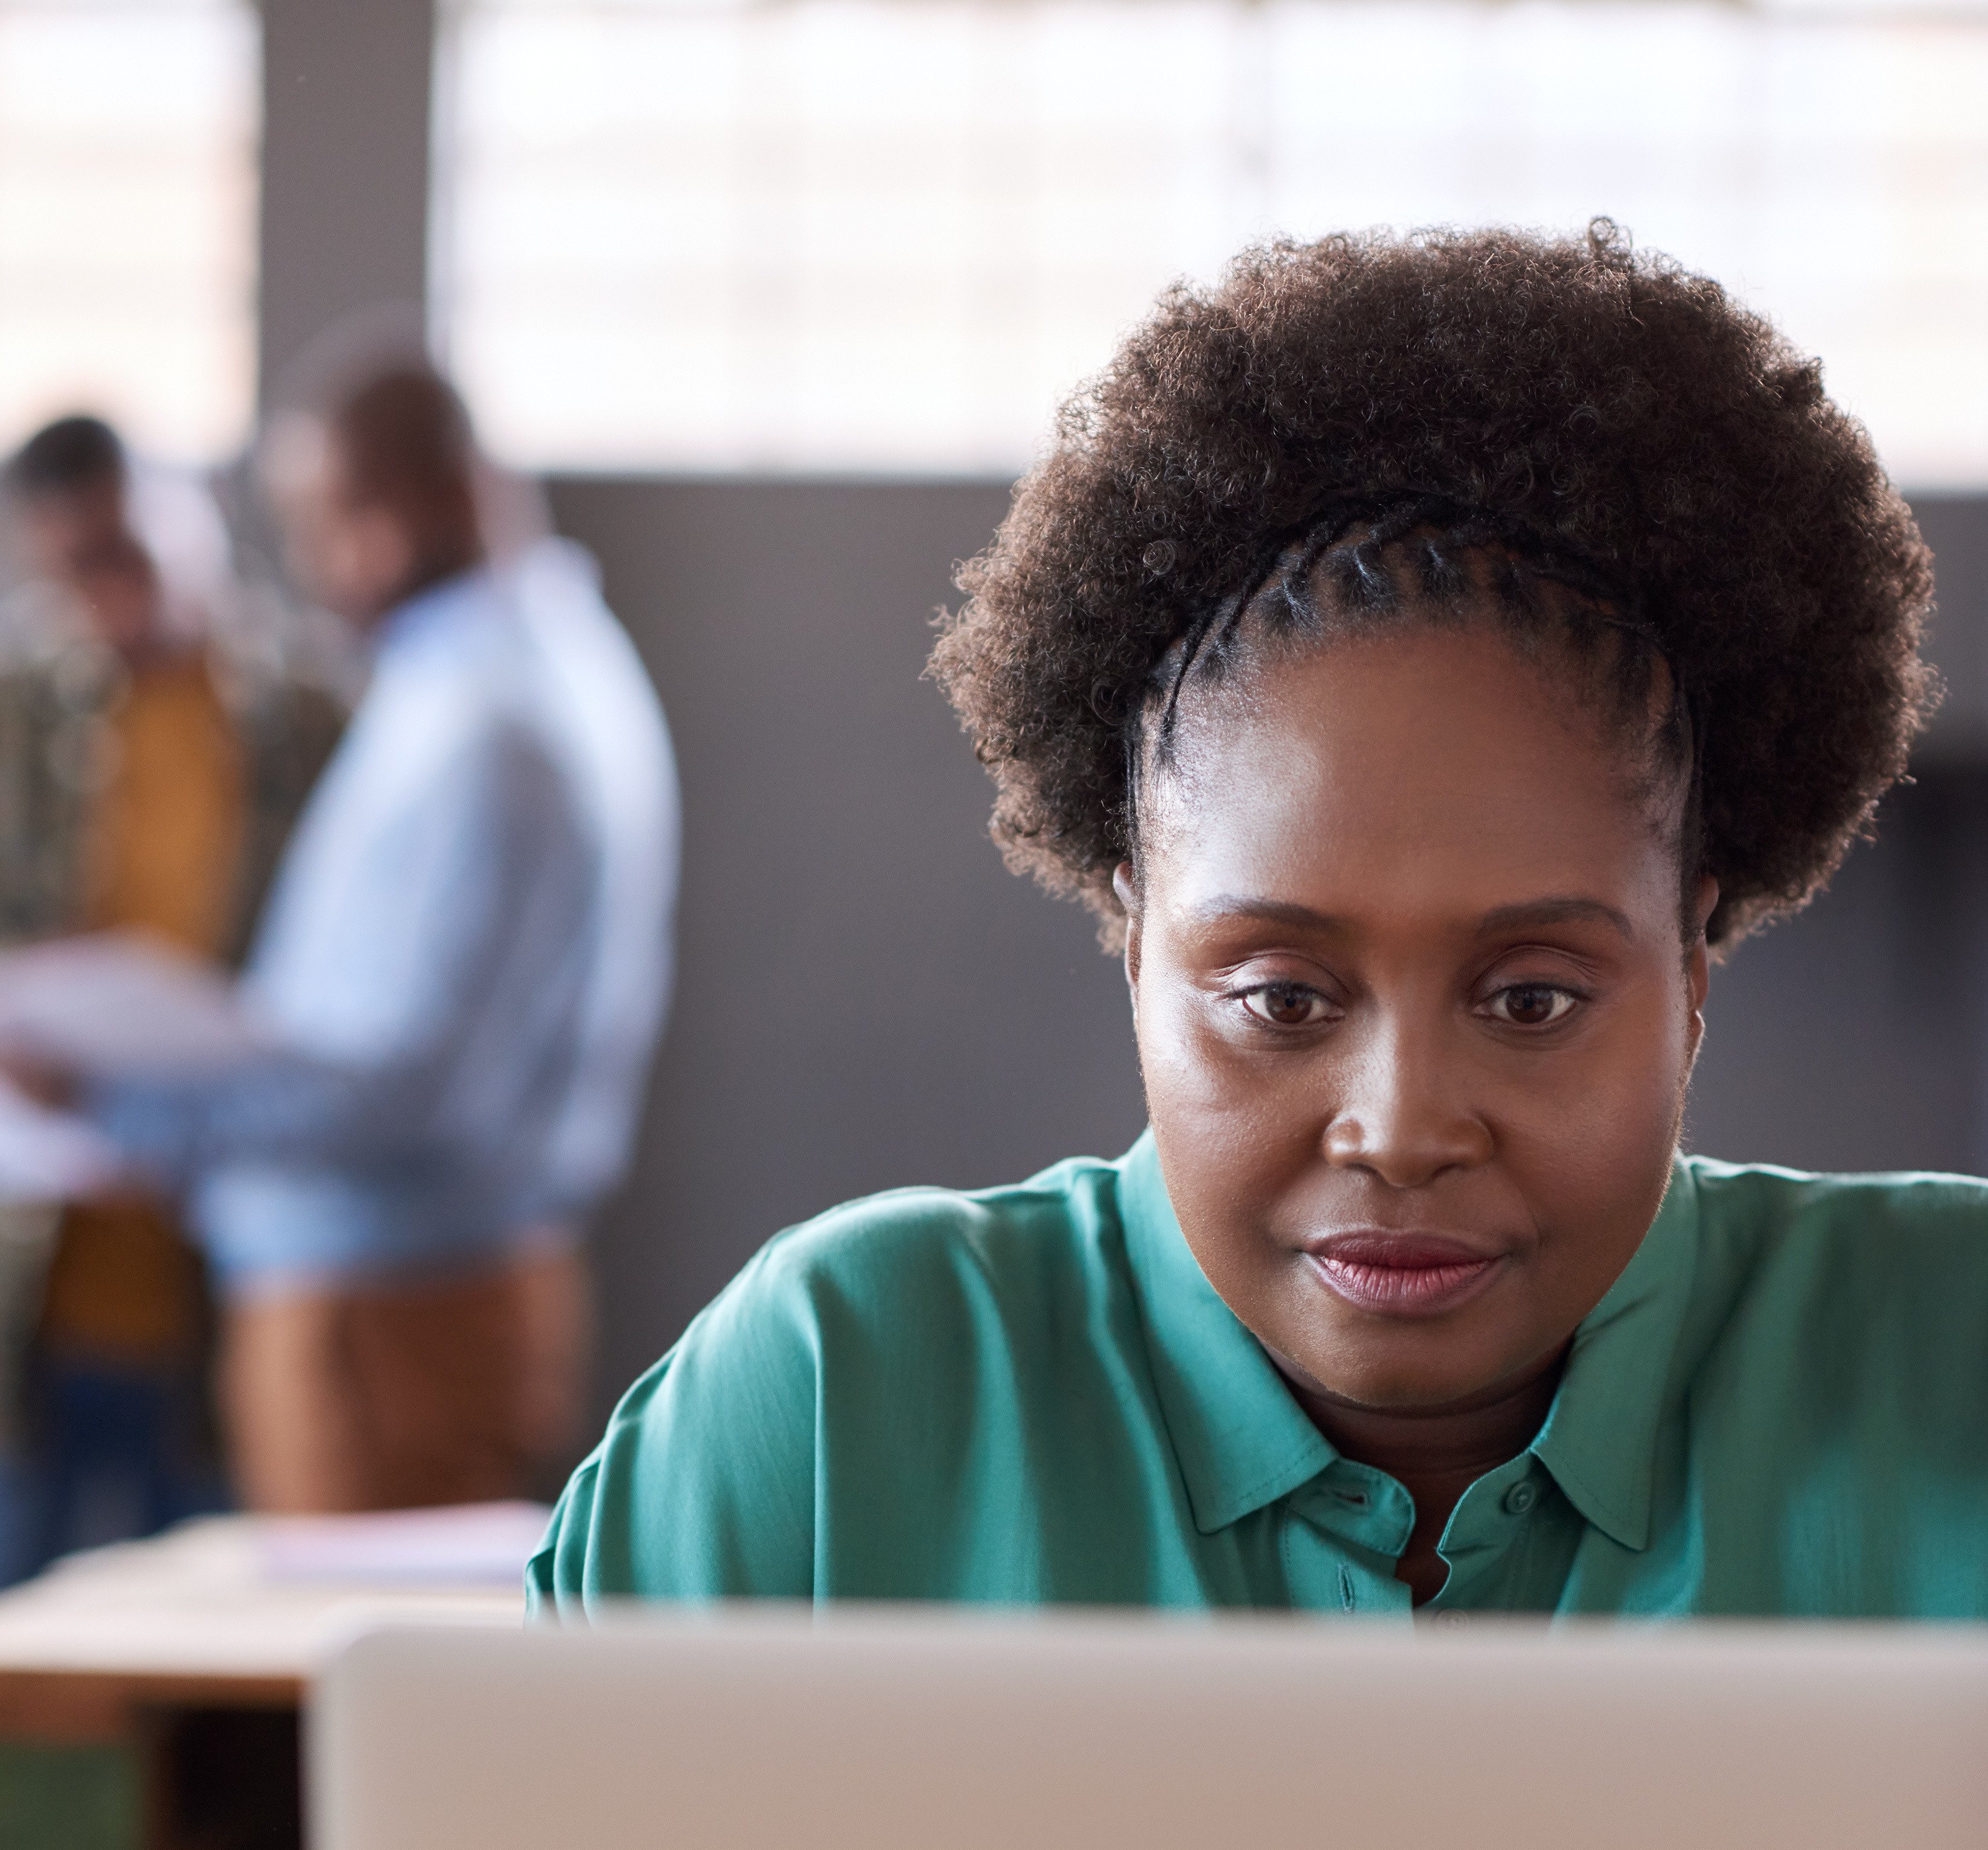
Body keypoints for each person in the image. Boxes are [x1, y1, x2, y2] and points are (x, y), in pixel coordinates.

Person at [532, 220, 1979, 1624]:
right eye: (1283, 997)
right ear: (1135, 939)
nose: (1403, 1130)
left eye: (1531, 998)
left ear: (1694, 963)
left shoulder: (1954, 1353)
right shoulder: (837, 1401)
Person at [4, 365, 679, 1516]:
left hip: (393, 1314)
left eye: (326, 524)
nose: (315, 566)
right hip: (381, 1294)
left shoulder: (491, 723)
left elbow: (408, 1081)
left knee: (344, 1685)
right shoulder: (496, 675)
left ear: (406, 509)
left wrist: (121, 1111)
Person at [0, 414, 345, 1569]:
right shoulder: (20, 711)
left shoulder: (308, 717)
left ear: (191, 516)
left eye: (128, 555)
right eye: (72, 569)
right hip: (44, 1251)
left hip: (234, 1234)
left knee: (202, 1606)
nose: (107, 595)